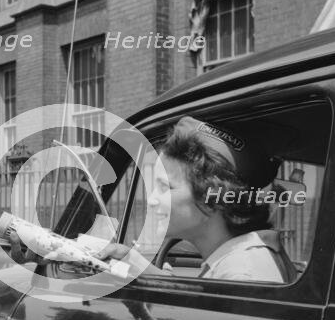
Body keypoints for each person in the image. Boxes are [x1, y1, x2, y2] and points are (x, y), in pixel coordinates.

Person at [97, 115, 296, 283]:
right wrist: (146, 271)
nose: (152, 200)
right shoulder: (241, 257)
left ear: (211, 200)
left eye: (165, 187)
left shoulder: (242, 274)